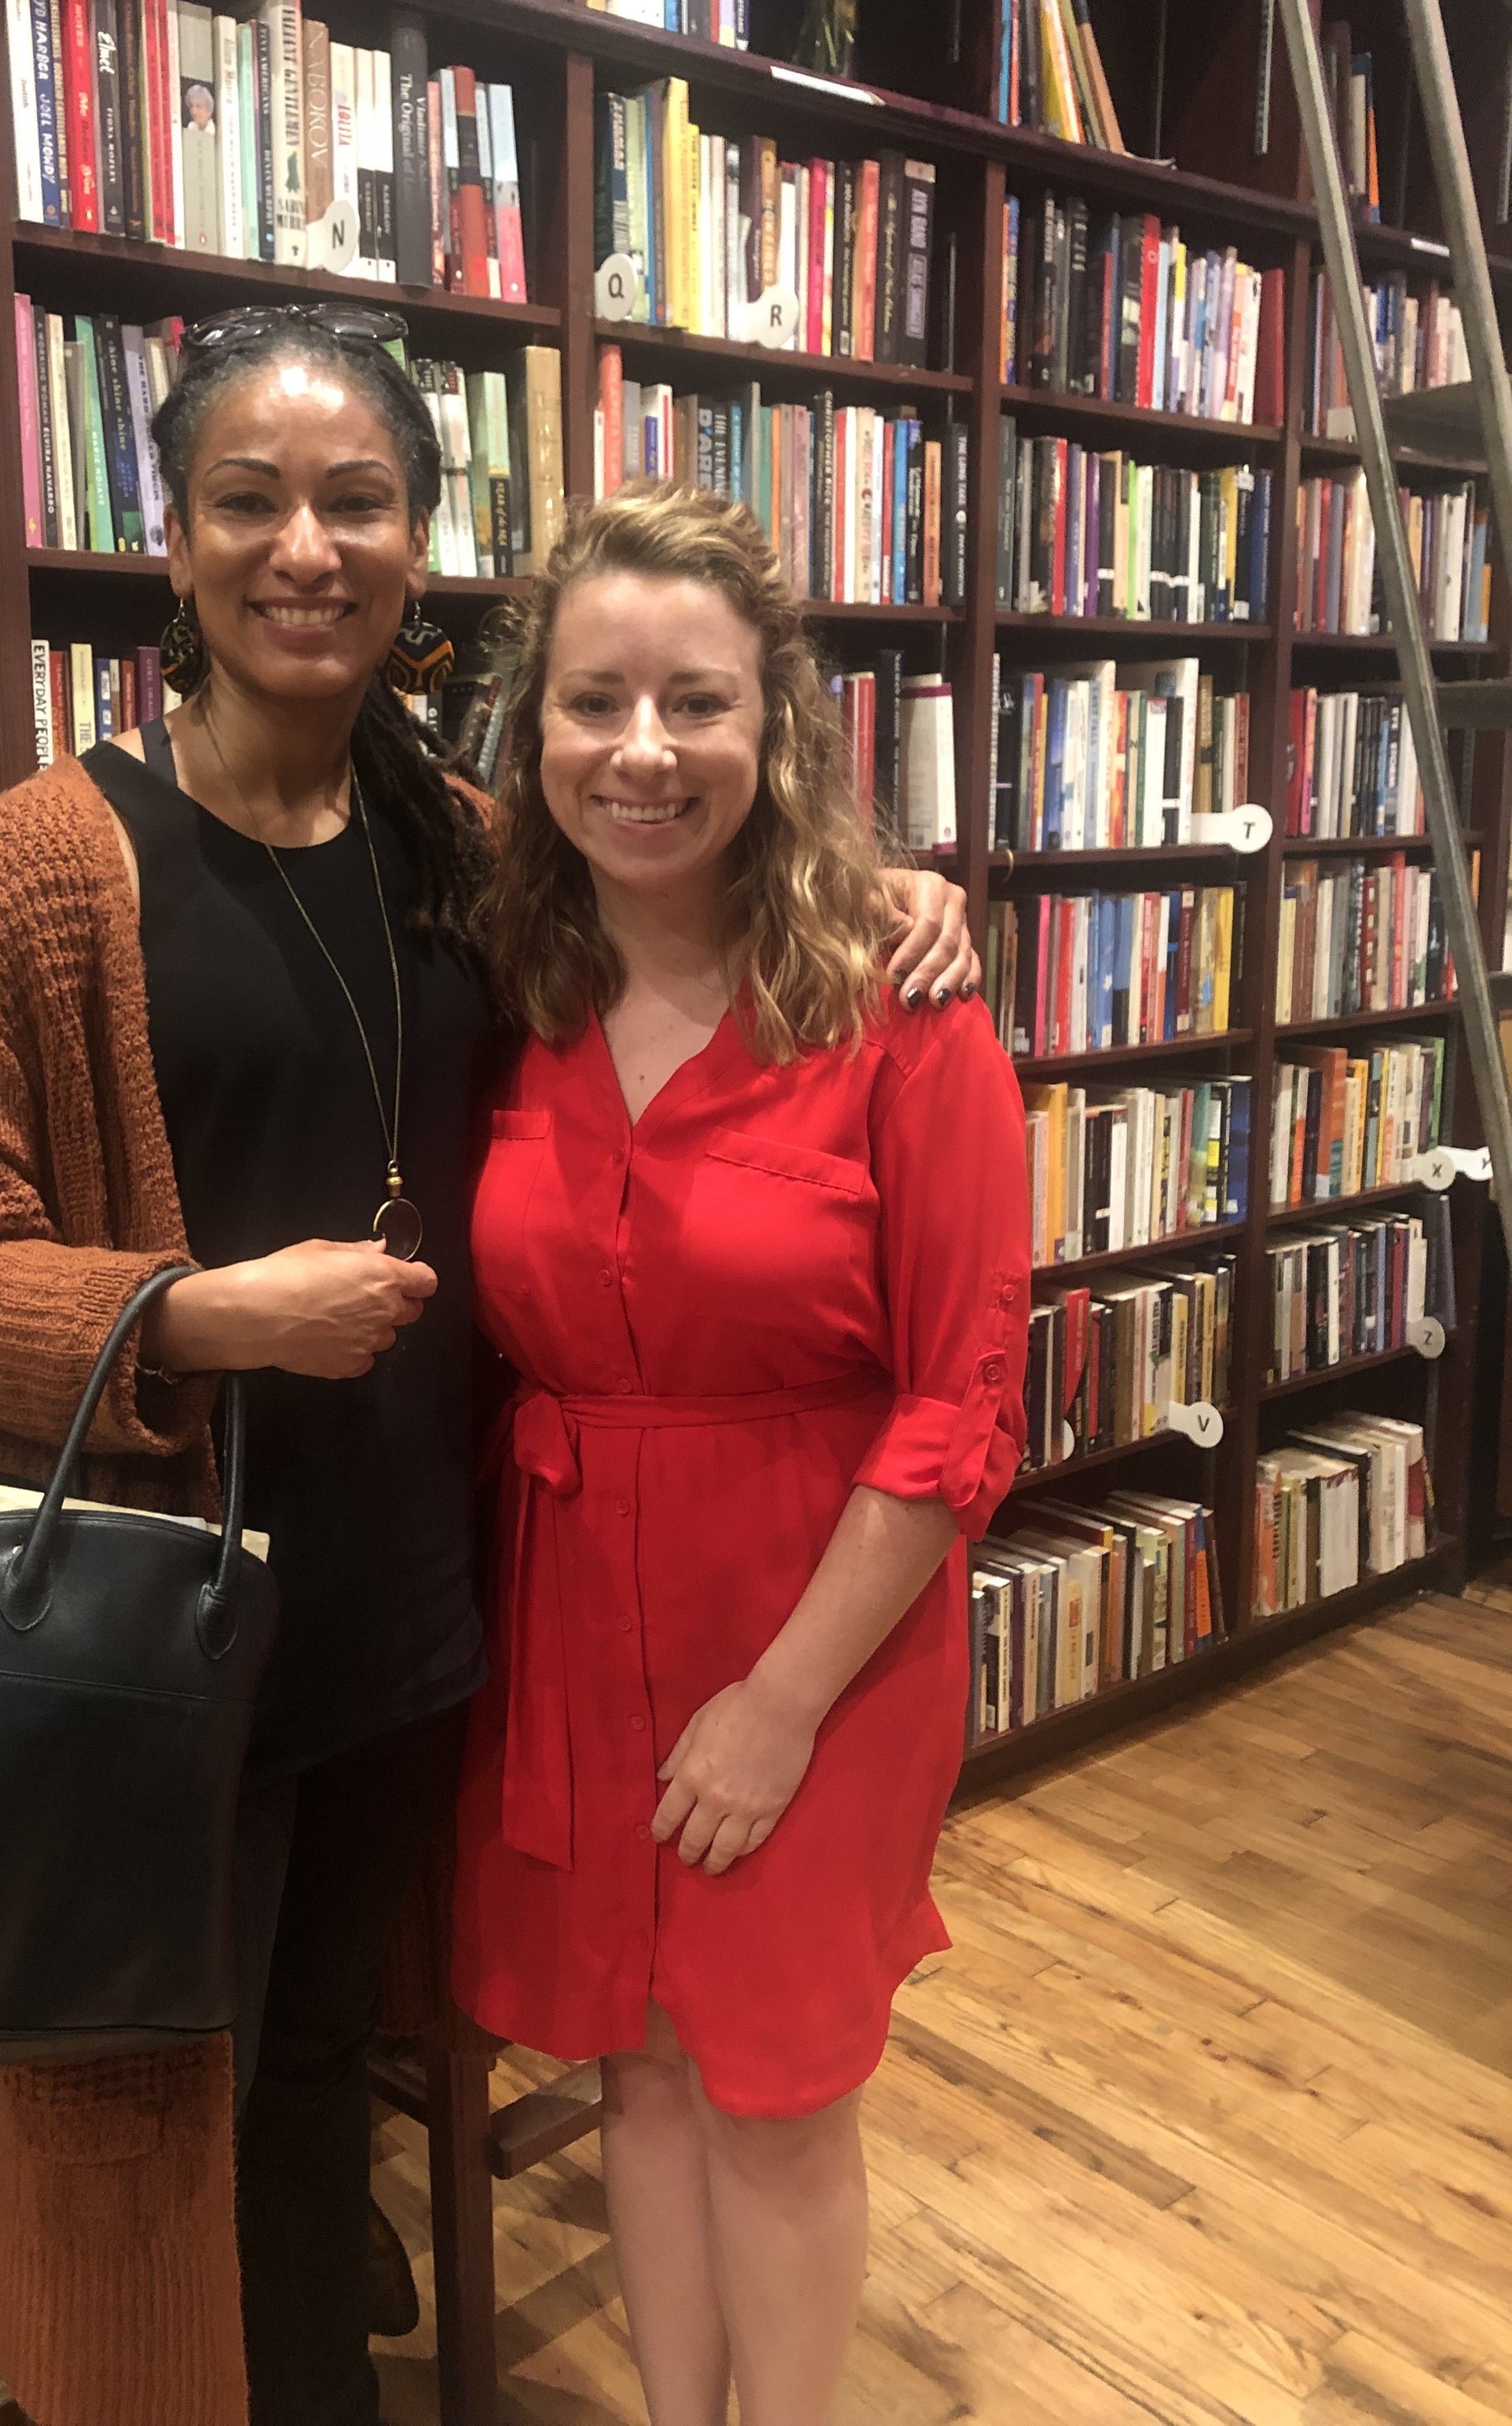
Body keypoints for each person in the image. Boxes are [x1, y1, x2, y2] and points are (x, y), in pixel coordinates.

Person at [0, 306, 979, 2426]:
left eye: (355, 499)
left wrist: (890, 887)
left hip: (410, 1616)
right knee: (133, 2121)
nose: (306, 546)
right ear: (167, 542)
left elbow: (697, 905)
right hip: (145, 1633)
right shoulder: (45, 860)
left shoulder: (465, 845)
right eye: (248, 501)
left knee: (316, 2090)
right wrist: (180, 1312)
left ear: (416, 544)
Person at [453, 481, 1031, 2426]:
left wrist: (779, 1701)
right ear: (527, 730)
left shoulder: (898, 1006)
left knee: (775, 2094)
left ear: (772, 724)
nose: (641, 751)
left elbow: (961, 1399)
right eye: (592, 700)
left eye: (694, 702)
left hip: (815, 1625)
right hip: (568, 1615)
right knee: (630, 2059)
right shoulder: (503, 989)